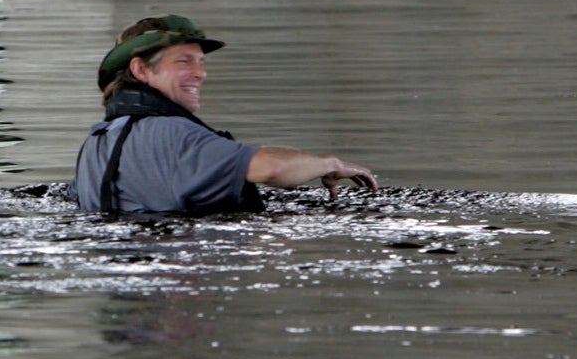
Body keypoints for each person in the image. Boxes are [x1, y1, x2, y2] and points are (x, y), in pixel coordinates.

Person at [73, 14, 377, 215]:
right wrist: (328, 163)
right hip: (170, 262)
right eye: (184, 62)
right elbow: (269, 168)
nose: (200, 74)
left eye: (202, 62)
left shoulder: (96, 143)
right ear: (141, 69)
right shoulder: (173, 134)